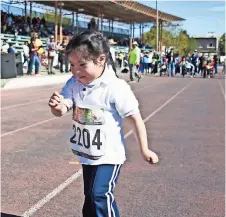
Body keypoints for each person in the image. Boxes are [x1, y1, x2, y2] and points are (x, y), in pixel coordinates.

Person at [48, 30, 159, 217]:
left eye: (82, 65)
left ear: (101, 59)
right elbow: (62, 109)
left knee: (99, 195)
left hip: (109, 155)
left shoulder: (116, 88)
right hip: (86, 152)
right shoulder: (74, 83)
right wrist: (56, 106)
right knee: (90, 198)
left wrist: (145, 149)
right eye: (72, 65)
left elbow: (135, 118)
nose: (76, 70)